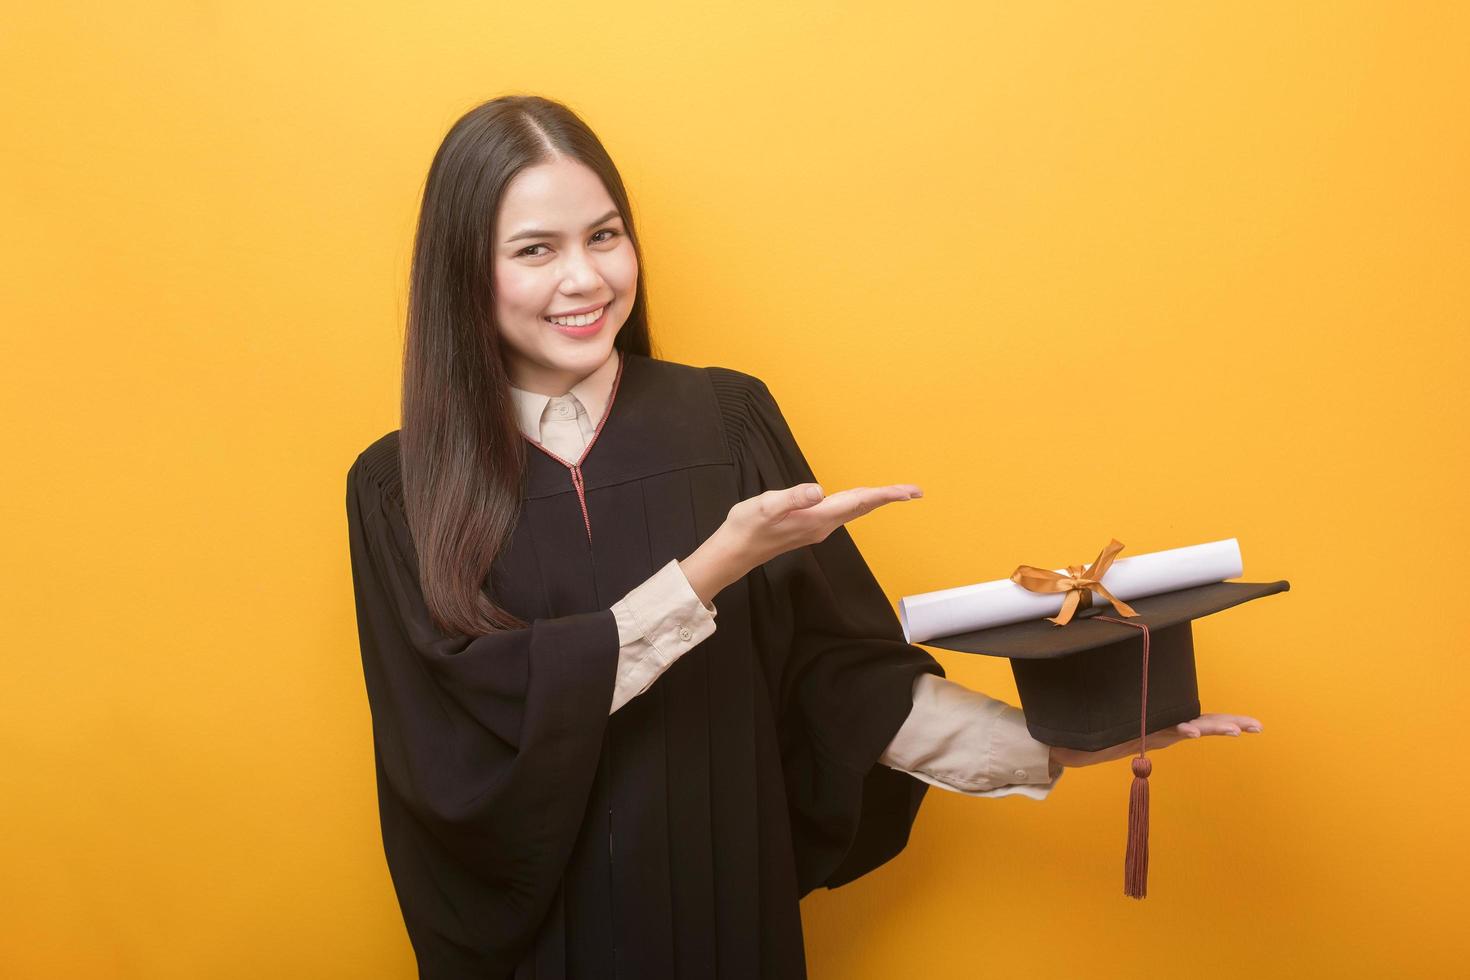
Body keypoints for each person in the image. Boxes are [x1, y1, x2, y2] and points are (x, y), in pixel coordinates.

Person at [344, 94, 1263, 980]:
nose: (584, 278)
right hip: (543, 946)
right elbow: (458, 736)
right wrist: (714, 568)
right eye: (535, 249)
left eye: (605, 235)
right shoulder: (400, 489)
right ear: (466, 270)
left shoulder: (725, 423)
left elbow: (838, 687)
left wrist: (1060, 741)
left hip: (723, 924)